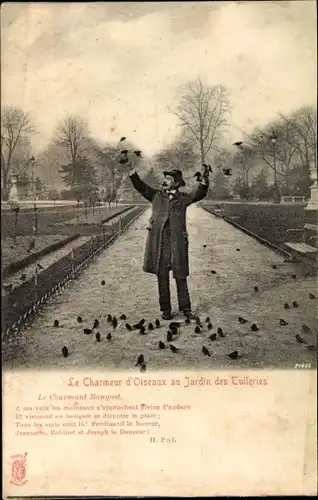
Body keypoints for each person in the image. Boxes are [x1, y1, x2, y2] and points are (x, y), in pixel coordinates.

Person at [127, 156, 209, 320]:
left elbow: (199, 193)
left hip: (177, 243)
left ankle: (185, 309)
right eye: (165, 178)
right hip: (160, 243)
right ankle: (166, 310)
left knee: (180, 275)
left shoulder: (183, 199)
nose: (165, 181)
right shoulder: (156, 196)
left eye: (169, 179)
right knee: (162, 275)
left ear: (177, 183)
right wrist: (132, 171)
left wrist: (205, 179)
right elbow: (140, 186)